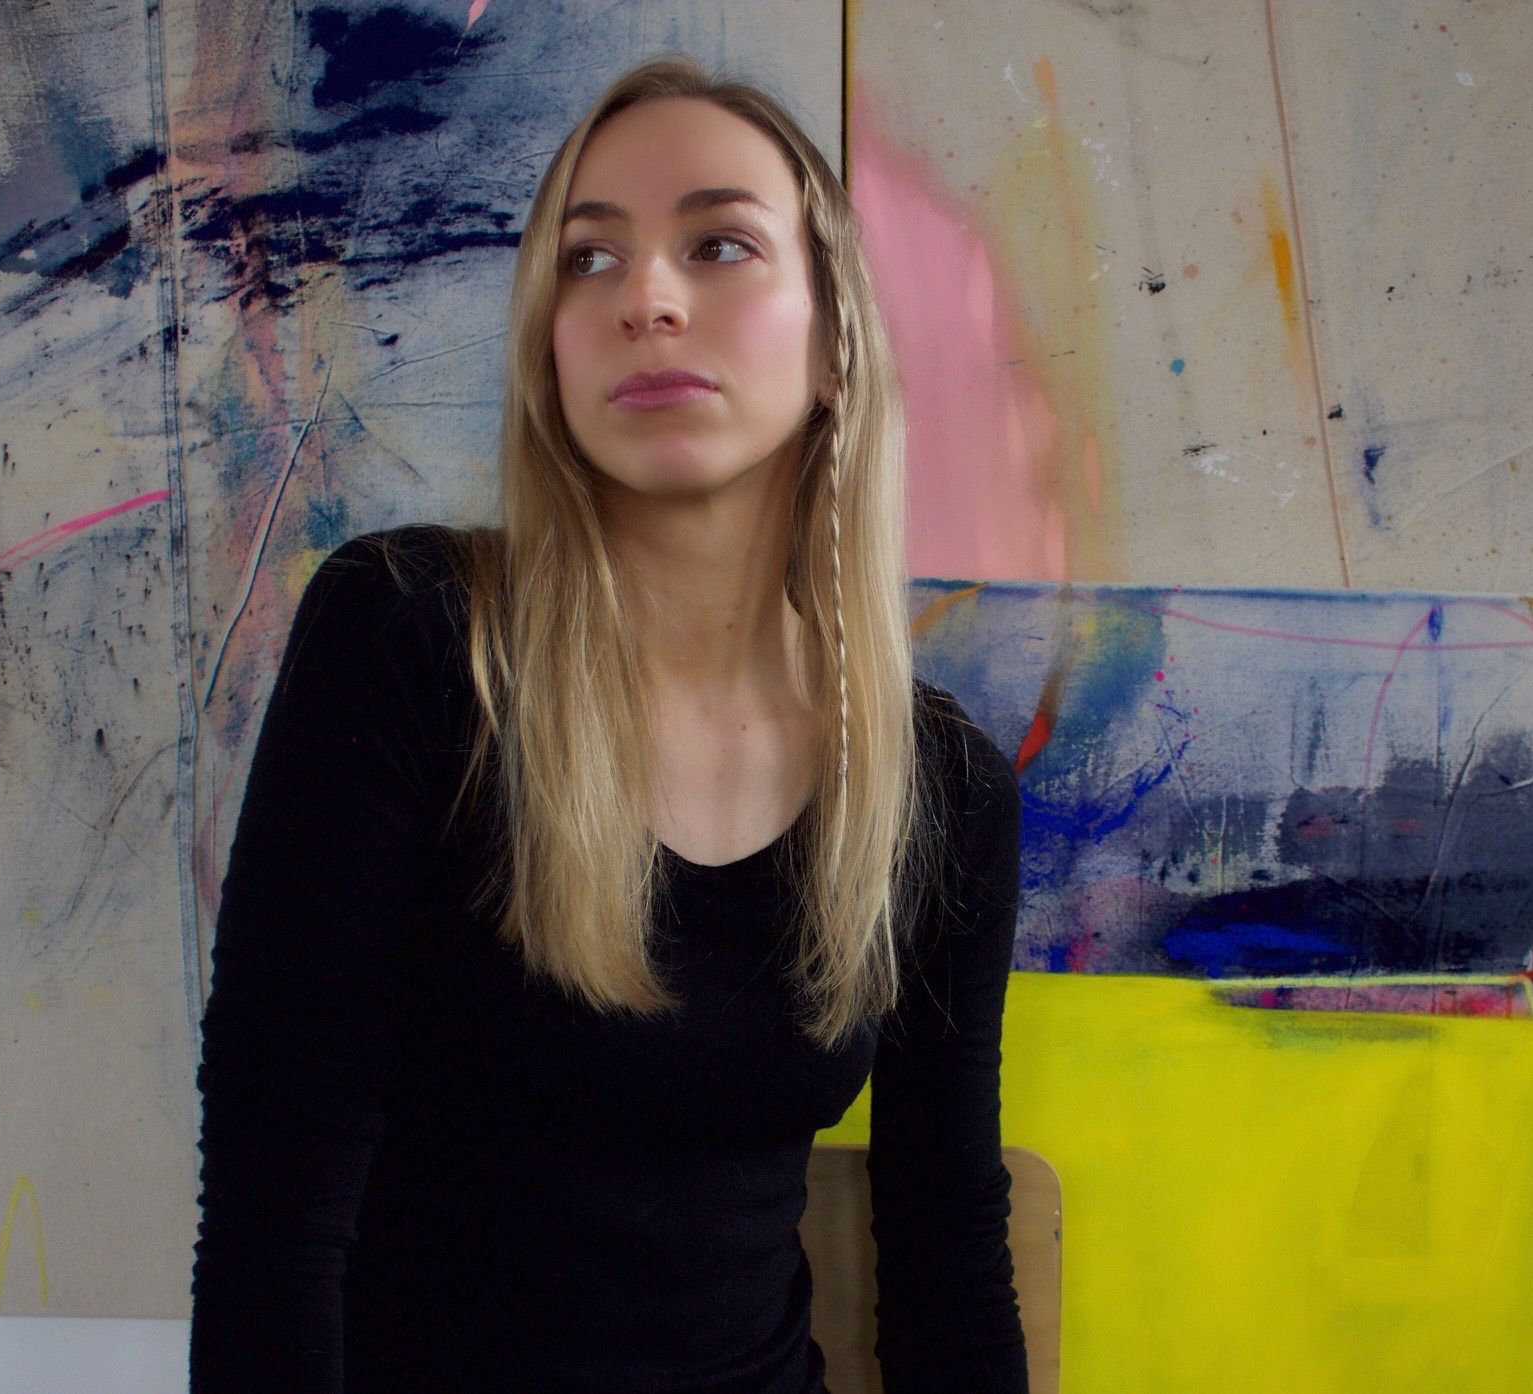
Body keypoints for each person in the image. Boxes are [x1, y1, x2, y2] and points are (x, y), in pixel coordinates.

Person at [190, 54, 1027, 1394]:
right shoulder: (409, 640)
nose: (645, 297)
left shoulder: (942, 789)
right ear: (550, 350)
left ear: (835, 343)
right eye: (588, 259)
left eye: (718, 244)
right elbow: (270, 1215)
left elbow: (946, 1252)